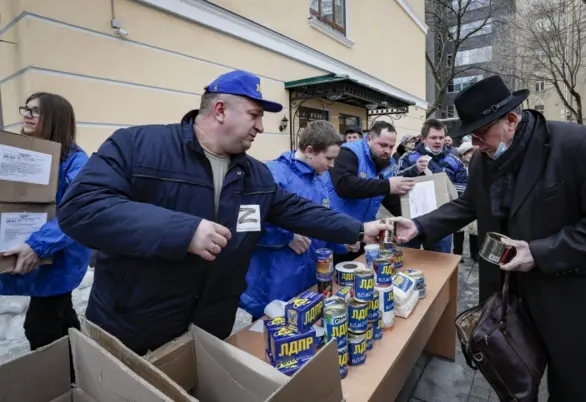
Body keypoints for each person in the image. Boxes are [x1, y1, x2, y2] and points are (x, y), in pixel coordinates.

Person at [56, 70, 388, 355]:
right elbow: (81, 207)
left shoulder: (254, 174)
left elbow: (296, 209)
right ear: (220, 110)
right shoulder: (138, 145)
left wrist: (358, 230)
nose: (260, 126)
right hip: (132, 330)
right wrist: (183, 232)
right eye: (254, 115)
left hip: (209, 328)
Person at [394, 75, 586, 402]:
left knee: (573, 391)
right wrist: (419, 226)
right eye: (471, 136)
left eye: (481, 134)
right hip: (511, 301)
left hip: (574, 298)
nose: (475, 145)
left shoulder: (578, 145)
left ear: (511, 120)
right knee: (515, 386)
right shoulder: (483, 158)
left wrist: (539, 252)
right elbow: (468, 205)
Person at [0, 93, 91, 350]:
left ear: (55, 118)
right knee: (61, 315)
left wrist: (38, 245)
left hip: (59, 255)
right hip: (33, 248)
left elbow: (80, 209)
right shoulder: (21, 154)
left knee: (40, 326)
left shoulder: (75, 161)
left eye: (35, 111)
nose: (27, 115)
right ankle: (81, 367)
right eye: (26, 109)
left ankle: (60, 380)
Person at [240, 120, 358, 318]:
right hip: (274, 283)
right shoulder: (272, 174)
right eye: (329, 158)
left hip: (308, 278)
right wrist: (286, 237)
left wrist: (342, 242)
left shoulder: (320, 178)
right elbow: (246, 224)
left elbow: (323, 220)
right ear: (310, 150)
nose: (332, 165)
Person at [323, 121, 415, 262]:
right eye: (383, 145)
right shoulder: (347, 152)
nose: (388, 151)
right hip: (336, 230)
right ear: (369, 139)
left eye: (391, 146)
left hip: (364, 233)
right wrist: (387, 185)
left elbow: (388, 198)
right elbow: (344, 186)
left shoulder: (388, 163)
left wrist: (414, 219)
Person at [397, 119, 468, 253]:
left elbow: (463, 188)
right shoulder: (408, 158)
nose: (438, 141)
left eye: (441, 137)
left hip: (441, 223)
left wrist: (446, 195)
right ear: (423, 139)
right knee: (408, 263)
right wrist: (414, 170)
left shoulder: (455, 162)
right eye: (433, 137)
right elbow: (395, 182)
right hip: (411, 220)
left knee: (439, 264)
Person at [452, 142, 478, 262]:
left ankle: (475, 253)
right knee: (458, 230)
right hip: (460, 200)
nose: (472, 154)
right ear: (463, 154)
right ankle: (457, 254)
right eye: (469, 152)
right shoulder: (458, 166)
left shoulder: (478, 166)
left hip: (474, 201)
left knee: (474, 230)